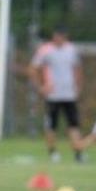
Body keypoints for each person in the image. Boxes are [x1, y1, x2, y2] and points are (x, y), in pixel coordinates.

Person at [29, 28, 83, 163]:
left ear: (65, 37)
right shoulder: (45, 50)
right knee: (51, 125)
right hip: (53, 95)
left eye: (61, 36)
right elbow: (33, 68)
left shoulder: (72, 49)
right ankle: (53, 152)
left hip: (69, 94)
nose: (58, 39)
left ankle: (78, 153)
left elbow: (77, 69)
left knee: (74, 124)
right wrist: (40, 87)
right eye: (56, 36)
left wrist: (78, 87)